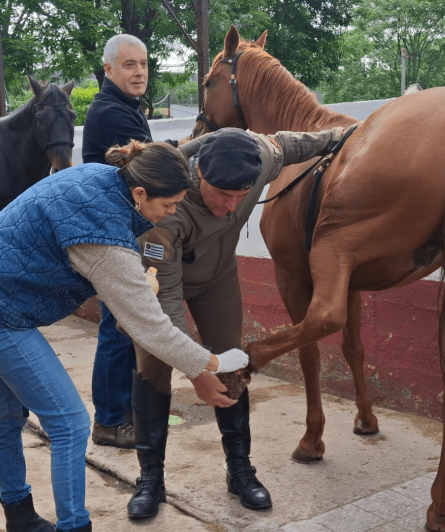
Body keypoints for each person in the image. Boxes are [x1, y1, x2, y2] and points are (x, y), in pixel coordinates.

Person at [0, 141, 250, 532]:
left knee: (7, 421)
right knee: (70, 424)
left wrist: (136, 286)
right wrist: (211, 363)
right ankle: (75, 525)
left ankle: (19, 517)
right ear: (141, 194)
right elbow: (149, 326)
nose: (174, 212)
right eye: (170, 204)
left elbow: (118, 281)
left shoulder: (103, 177)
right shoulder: (102, 234)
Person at [127, 126, 344, 519]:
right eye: (222, 195)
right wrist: (195, 370)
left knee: (231, 360)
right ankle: (150, 479)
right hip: (163, 286)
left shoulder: (259, 160)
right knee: (152, 366)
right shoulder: (166, 209)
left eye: (240, 198)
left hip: (218, 277)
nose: (231, 208)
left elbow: (294, 144)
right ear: (199, 176)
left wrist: (352, 133)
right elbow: (167, 305)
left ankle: (240, 470)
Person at [80, 34, 167, 449]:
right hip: (112, 233)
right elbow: (155, 168)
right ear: (109, 70)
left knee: (122, 326)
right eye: (129, 65)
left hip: (117, 230)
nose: (139, 72)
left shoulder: (126, 107)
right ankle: (110, 421)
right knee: (117, 328)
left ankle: (121, 412)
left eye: (144, 64)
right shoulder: (114, 113)